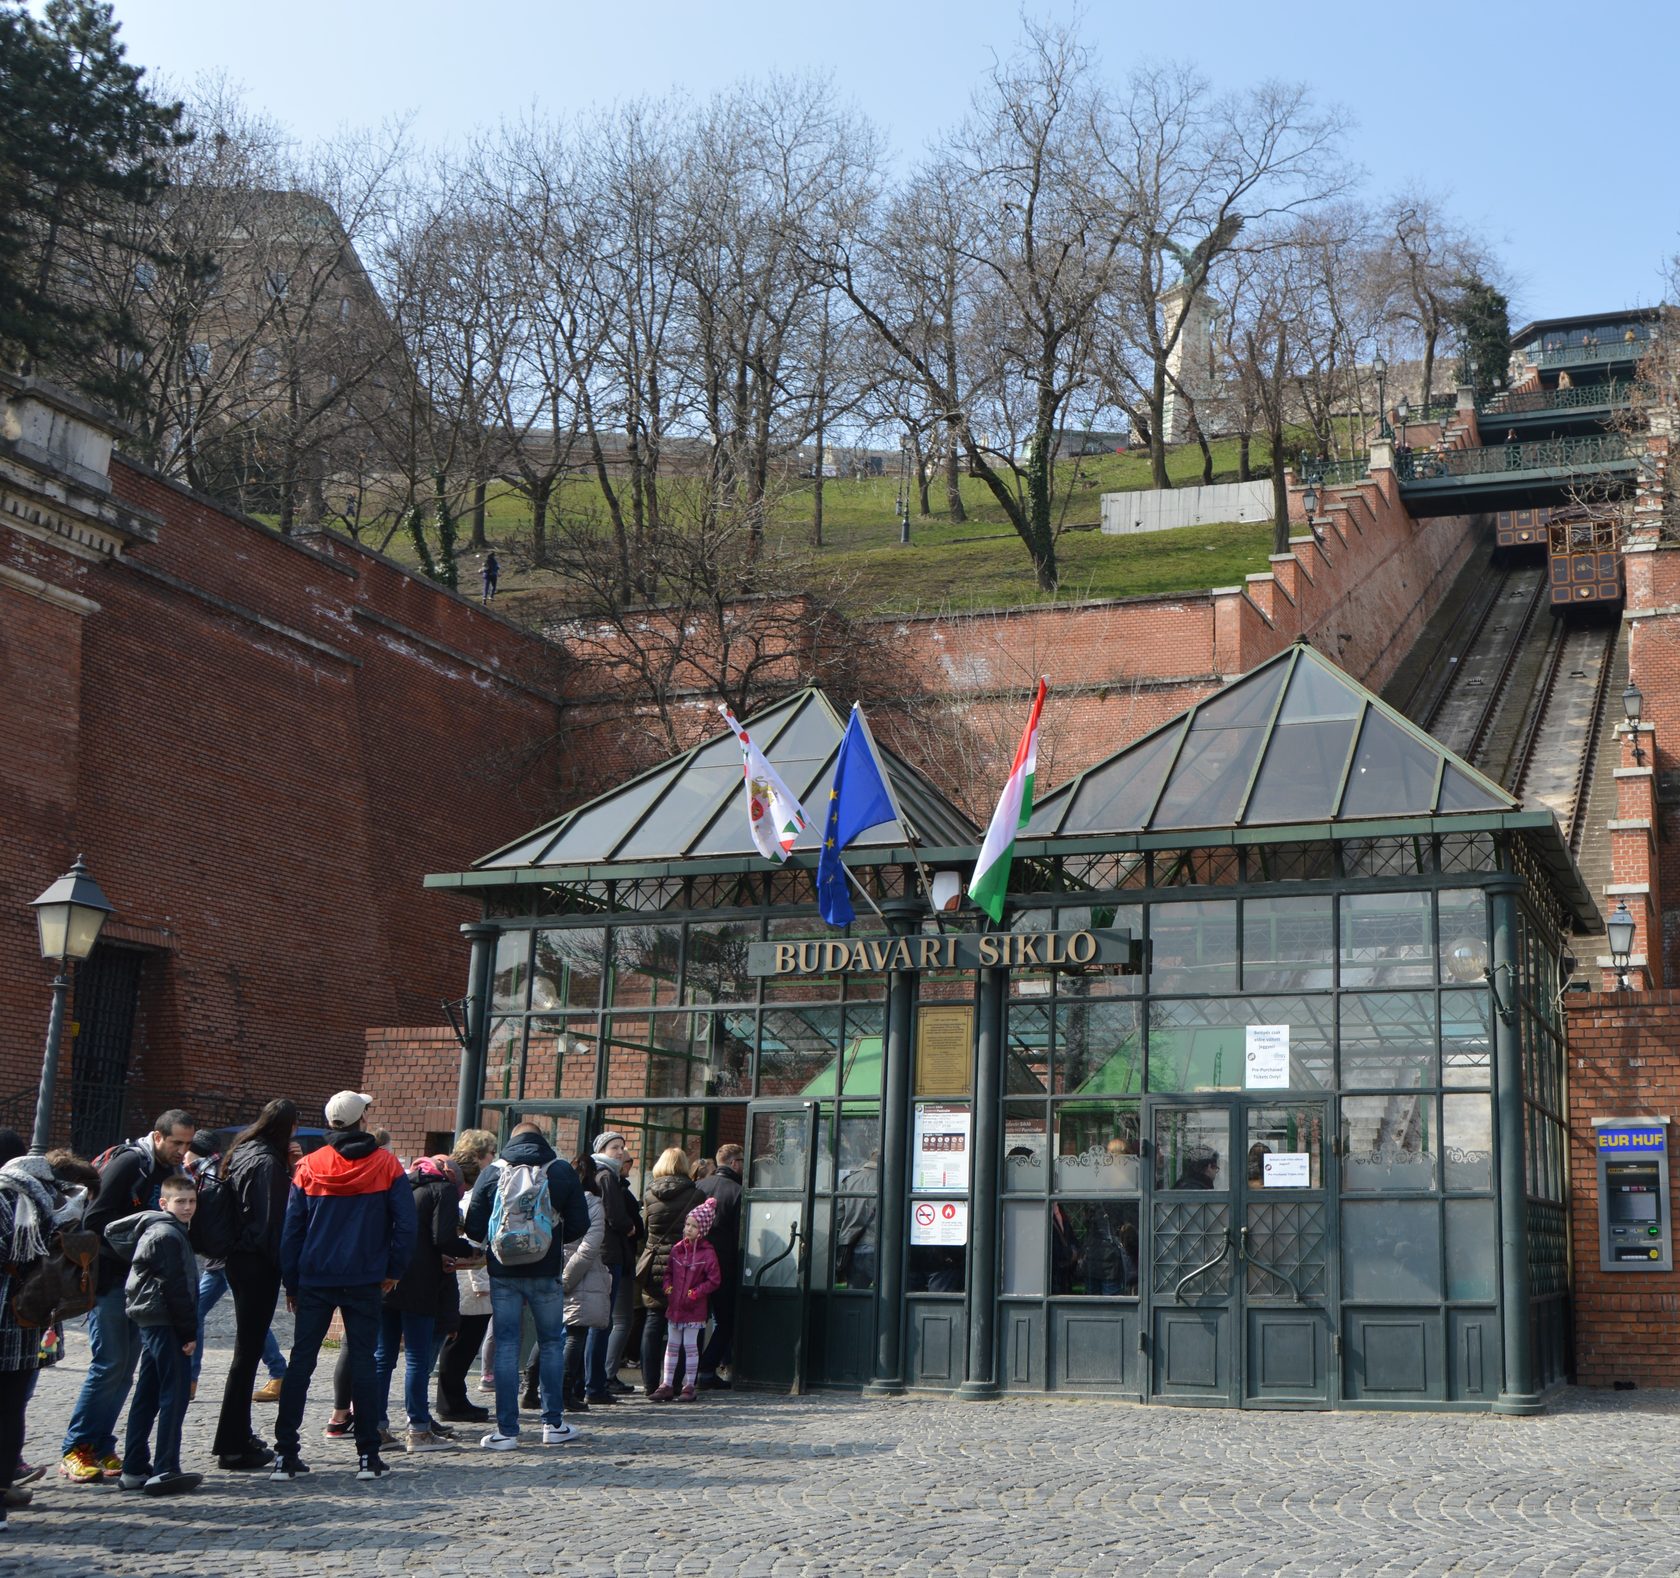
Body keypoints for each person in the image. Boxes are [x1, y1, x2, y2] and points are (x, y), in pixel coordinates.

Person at [270, 1091, 415, 1484]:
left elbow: (292, 1231)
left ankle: (285, 1455)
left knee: (301, 1363)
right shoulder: (385, 1164)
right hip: (365, 1277)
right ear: (361, 1120)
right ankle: (368, 1455)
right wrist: (394, 1269)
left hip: (316, 1276)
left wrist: (292, 1281)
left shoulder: (309, 1165)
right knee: (365, 1363)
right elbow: (405, 1224)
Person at [60, 1108, 195, 1484]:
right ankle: (77, 1447)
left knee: (125, 1371)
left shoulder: (169, 1172)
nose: (182, 1151)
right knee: (109, 1365)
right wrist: (142, 1243)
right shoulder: (130, 1163)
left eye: (187, 1144)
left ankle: (102, 1444)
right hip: (113, 1280)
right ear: (157, 1135)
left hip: (142, 1287)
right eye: (176, 1142)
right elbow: (95, 1222)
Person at [463, 1120, 589, 1450]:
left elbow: (475, 1228)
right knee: (550, 1343)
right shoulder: (559, 1170)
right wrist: (551, 1235)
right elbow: (580, 1225)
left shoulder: (492, 1172)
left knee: (506, 1345)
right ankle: (553, 1424)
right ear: (542, 1141)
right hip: (546, 1271)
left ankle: (507, 1431)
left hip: (503, 1273)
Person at [0, 1148, 97, 1531]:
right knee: (11, 1409)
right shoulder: (56, 1198)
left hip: (8, 1309)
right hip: (32, 1314)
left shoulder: (9, 1195)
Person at [209, 1098, 298, 1470]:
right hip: (256, 1263)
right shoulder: (265, 1163)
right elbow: (271, 1225)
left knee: (245, 1355)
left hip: (238, 1260)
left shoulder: (243, 1150)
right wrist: (288, 1276)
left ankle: (237, 1436)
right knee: (246, 1356)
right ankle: (232, 1444)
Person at [110, 1175, 202, 1495]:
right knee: (173, 1394)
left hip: (152, 1319)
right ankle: (166, 1468)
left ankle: (134, 1466)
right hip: (165, 1320)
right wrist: (189, 1332)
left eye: (191, 1201)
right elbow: (175, 1288)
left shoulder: (165, 1230)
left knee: (148, 1392)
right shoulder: (166, 1234)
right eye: (181, 1201)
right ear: (164, 1204)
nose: (188, 1207)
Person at [375, 1154, 473, 1453]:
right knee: (417, 1359)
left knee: (383, 1357)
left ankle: (375, 1427)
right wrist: (469, 1249)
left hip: (388, 1279)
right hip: (420, 1283)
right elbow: (442, 1237)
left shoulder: (401, 1183)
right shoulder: (441, 1190)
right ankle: (419, 1430)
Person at [435, 1129, 497, 1424]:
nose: (494, 1159)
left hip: (471, 1275)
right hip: (469, 1277)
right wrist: (477, 1280)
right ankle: (451, 1402)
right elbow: (469, 1238)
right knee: (461, 1342)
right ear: (479, 1156)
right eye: (491, 1153)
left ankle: (453, 1398)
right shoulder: (468, 1192)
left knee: (463, 1342)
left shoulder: (468, 1188)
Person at [636, 1148, 702, 1397]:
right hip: (686, 1265)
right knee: (684, 1324)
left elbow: (644, 1231)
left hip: (655, 1263)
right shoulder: (696, 1194)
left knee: (653, 1320)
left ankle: (650, 1382)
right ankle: (676, 1382)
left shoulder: (649, 1194)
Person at [652, 1200, 722, 1403]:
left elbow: (714, 1279)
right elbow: (668, 1273)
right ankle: (666, 1383)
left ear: (703, 1229)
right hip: (675, 1305)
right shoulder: (677, 1250)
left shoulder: (707, 1253)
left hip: (694, 1307)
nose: (688, 1229)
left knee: (690, 1346)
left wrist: (696, 1293)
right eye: (687, 1224)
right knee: (672, 1346)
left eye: (693, 1226)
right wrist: (668, 1287)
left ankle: (689, 1384)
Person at [561, 1154, 610, 1414]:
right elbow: (589, 1248)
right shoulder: (591, 1203)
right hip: (579, 1274)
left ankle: (532, 1387)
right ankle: (563, 1391)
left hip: (559, 1270)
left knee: (553, 1333)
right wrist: (567, 1279)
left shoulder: (559, 1199)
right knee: (574, 1334)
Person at [694, 1143, 743, 1389]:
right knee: (726, 1320)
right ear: (734, 1163)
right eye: (741, 1160)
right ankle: (706, 1366)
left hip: (695, 1263)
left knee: (696, 1319)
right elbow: (739, 1235)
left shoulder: (699, 1186)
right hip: (723, 1264)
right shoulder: (737, 1191)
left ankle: (691, 1370)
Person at [834, 1150, 878, 1291]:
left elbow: (838, 1218)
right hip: (880, 1247)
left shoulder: (850, 1180)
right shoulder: (889, 1180)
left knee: (855, 1295)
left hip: (853, 1247)